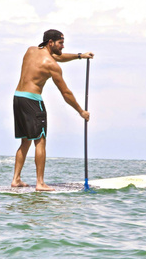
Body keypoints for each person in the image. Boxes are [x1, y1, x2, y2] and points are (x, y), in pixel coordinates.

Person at [12, 29, 94, 191]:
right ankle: (40, 183)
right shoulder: (51, 65)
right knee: (40, 140)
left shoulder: (31, 50)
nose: (63, 46)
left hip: (18, 98)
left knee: (25, 140)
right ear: (51, 42)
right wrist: (81, 111)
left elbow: (57, 56)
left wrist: (80, 56)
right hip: (33, 101)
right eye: (60, 43)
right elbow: (66, 93)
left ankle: (16, 179)